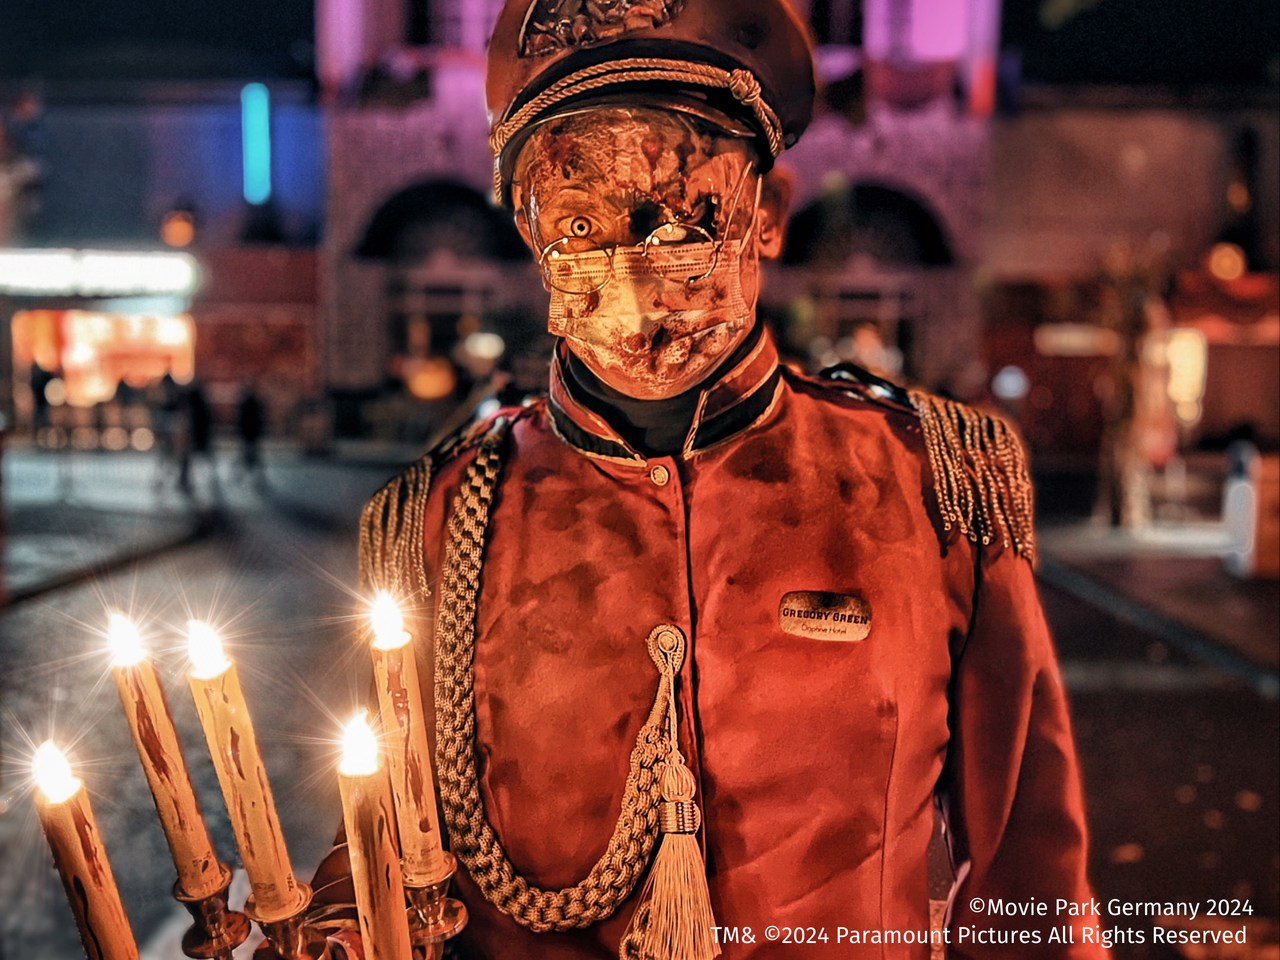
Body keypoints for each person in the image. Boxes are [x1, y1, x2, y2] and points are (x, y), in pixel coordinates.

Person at [302, 2, 1105, 957]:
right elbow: (384, 840)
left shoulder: (934, 486)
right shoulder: (434, 524)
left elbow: (1033, 879)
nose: (638, 263)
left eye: (690, 213)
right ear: (527, 225)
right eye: (581, 218)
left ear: (768, 213)